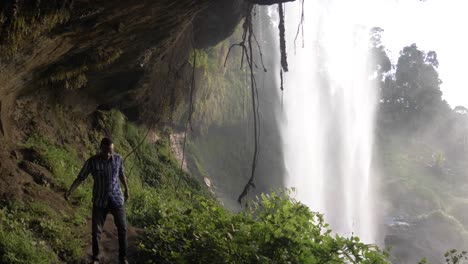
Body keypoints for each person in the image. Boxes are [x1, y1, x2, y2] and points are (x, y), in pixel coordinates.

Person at [65, 137, 130, 264]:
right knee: (96, 231)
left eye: (110, 151)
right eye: (105, 150)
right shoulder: (92, 162)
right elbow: (81, 177)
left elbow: (121, 174)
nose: (108, 154)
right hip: (100, 200)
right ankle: (96, 257)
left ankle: (123, 258)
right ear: (100, 148)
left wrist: (127, 189)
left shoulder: (118, 159)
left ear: (113, 149)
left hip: (117, 198)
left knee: (122, 228)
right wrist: (70, 191)